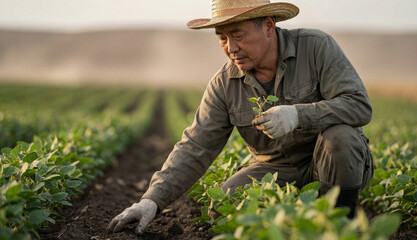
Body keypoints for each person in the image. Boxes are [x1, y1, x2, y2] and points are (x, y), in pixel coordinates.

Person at [107, 0, 374, 235]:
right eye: (222, 38)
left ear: (269, 26)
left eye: (238, 35)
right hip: (277, 169)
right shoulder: (224, 84)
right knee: (223, 207)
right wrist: (151, 200)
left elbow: (359, 105)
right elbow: (195, 146)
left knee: (340, 137)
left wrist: (297, 115)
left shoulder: (316, 48)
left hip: (329, 162)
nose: (231, 47)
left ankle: (341, 221)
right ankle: (291, 221)